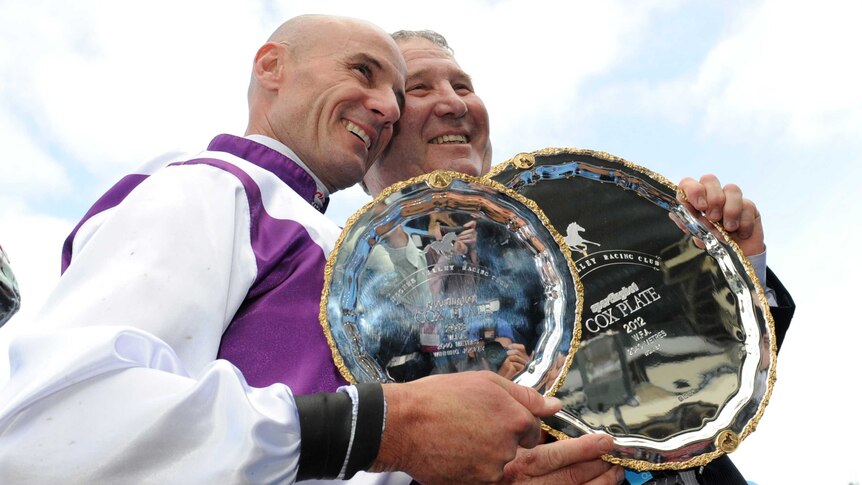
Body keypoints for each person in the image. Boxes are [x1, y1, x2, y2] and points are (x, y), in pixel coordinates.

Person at [0, 16, 586, 485]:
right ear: (272, 66)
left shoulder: (344, 254)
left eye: (394, 92)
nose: (385, 105)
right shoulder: (217, 186)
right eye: (364, 71)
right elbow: (48, 426)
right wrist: (389, 428)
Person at [363, 30, 795, 485]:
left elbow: (696, 372)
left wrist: (736, 272)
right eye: (420, 88)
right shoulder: (351, 308)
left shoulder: (582, 213)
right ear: (378, 128)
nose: (454, 103)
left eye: (463, 86)